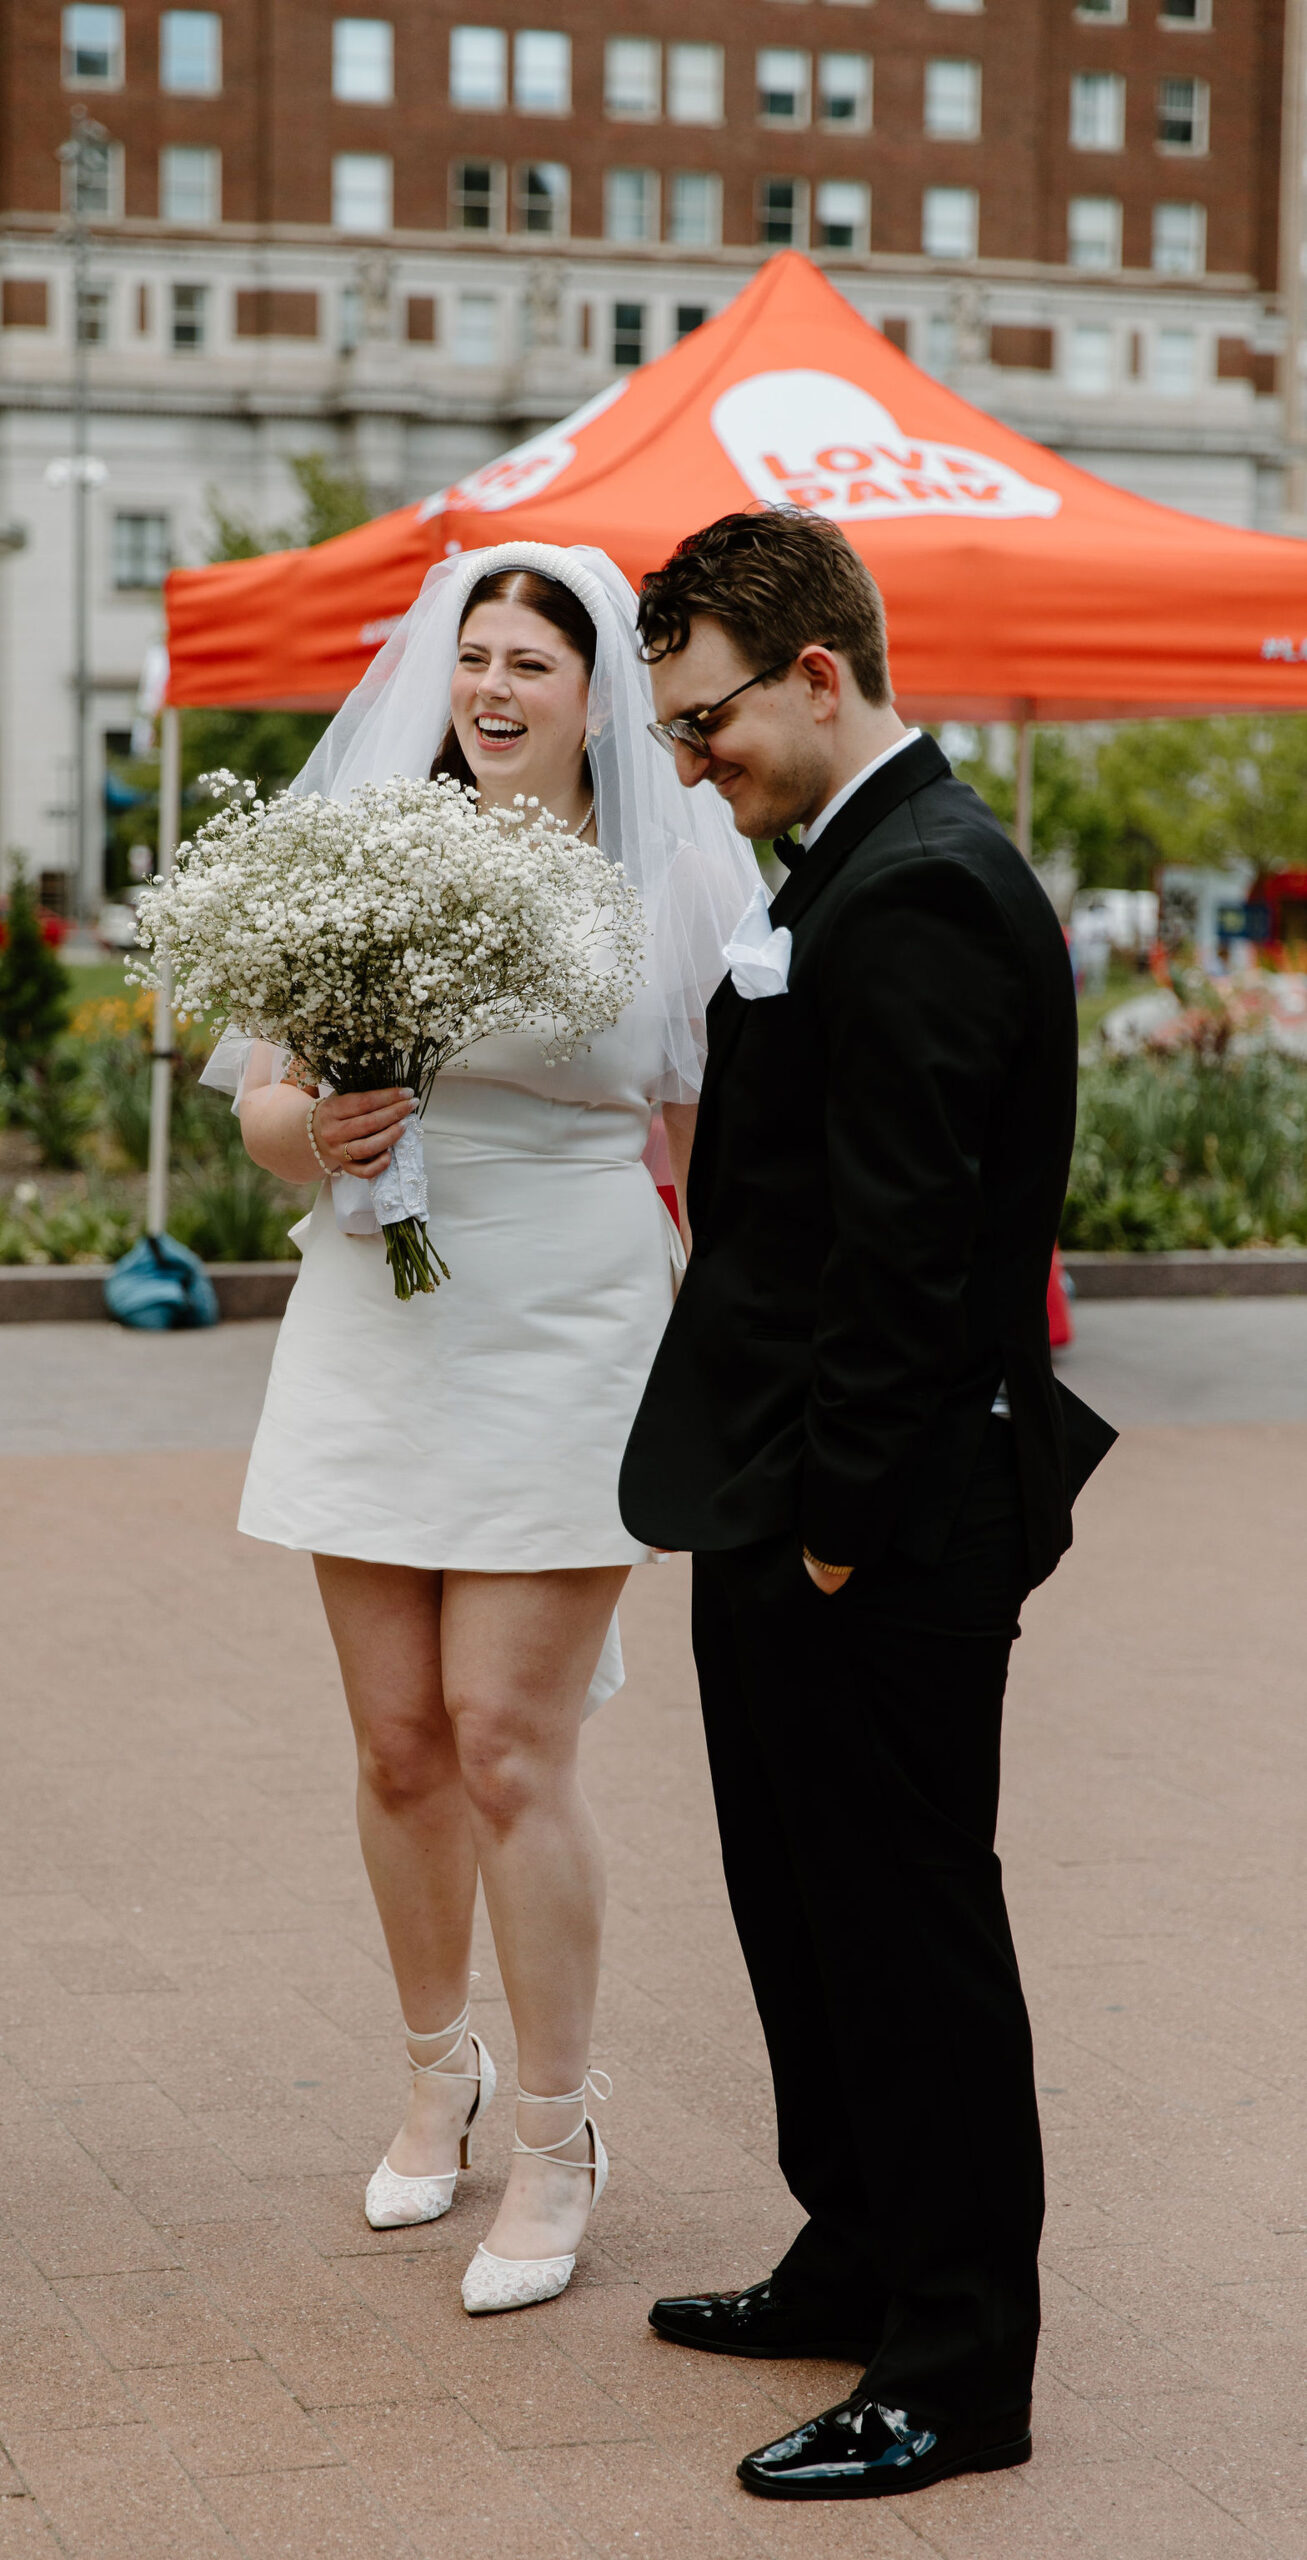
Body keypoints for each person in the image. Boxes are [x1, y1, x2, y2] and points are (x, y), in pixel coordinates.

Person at [618, 509, 1115, 2498]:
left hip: (875, 1517)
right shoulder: (850, 860)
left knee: (904, 1930)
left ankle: (956, 2363)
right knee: (797, 1903)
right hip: (782, 1498)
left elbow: (910, 1255)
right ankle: (852, 2242)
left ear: (815, 675)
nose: (686, 761)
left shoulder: (919, 886)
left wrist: (828, 1524)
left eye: (705, 717)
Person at [219, 542, 753, 2314]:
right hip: (381, 1304)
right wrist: (329, 1133)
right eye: (476, 656)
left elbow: (704, 1127)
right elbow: (268, 1105)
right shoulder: (371, 844)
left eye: (537, 656)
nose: (499, 686)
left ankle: (556, 2133)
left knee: (507, 1740)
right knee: (395, 1744)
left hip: (575, 1313)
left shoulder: (672, 863)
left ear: (599, 684)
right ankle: (430, 2073)